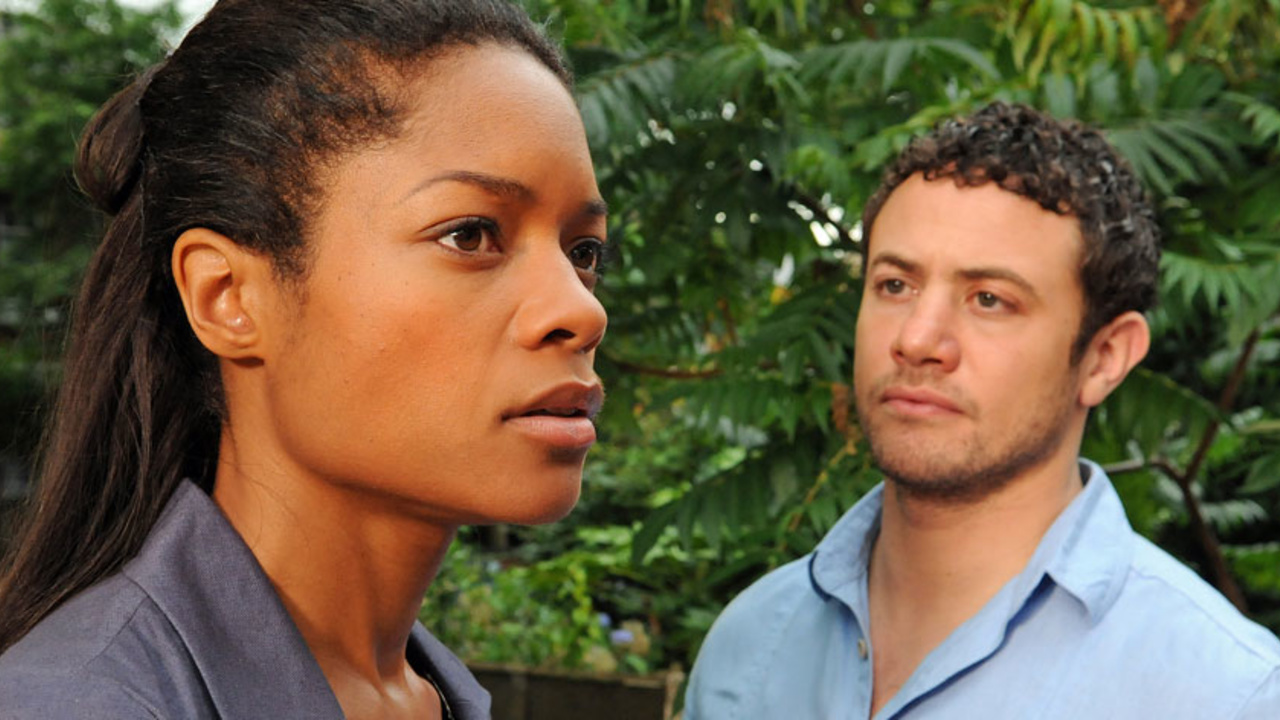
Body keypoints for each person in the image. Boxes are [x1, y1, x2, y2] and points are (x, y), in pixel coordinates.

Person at [0, 1, 609, 718]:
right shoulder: (78, 702)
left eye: (583, 252)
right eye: (470, 235)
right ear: (227, 296)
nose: (581, 311)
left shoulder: (435, 698)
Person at [683, 102, 1280, 719]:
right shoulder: (752, 648)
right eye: (895, 285)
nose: (917, 339)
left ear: (1104, 357)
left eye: (989, 299)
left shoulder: (1225, 695)